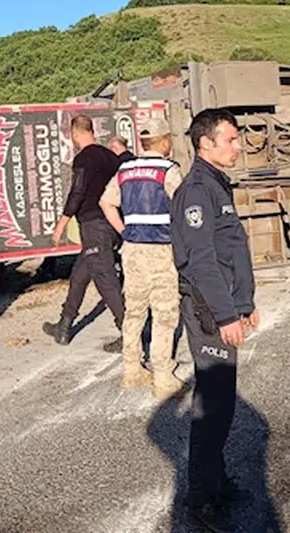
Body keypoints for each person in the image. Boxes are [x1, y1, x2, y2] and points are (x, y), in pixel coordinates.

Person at [170, 108, 260, 532]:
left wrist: (245, 302)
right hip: (207, 310)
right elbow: (201, 261)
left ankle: (217, 483)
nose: (238, 146)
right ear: (205, 144)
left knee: (222, 403)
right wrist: (226, 314)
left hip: (223, 306)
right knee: (212, 406)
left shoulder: (216, 186)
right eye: (230, 139)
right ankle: (199, 502)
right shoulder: (196, 192)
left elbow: (232, 253)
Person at [100, 118, 187, 400]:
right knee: (164, 313)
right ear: (163, 141)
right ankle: (162, 377)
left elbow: (106, 202)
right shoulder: (168, 170)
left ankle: (131, 369)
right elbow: (184, 207)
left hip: (133, 249)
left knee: (134, 311)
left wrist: (124, 231)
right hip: (161, 249)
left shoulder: (125, 169)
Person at [43, 114, 125, 352]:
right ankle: (64, 325)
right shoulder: (112, 158)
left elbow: (77, 191)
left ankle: (130, 332)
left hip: (93, 223)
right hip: (112, 222)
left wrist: (61, 223)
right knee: (80, 273)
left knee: (105, 278)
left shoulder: (83, 159)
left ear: (75, 134)